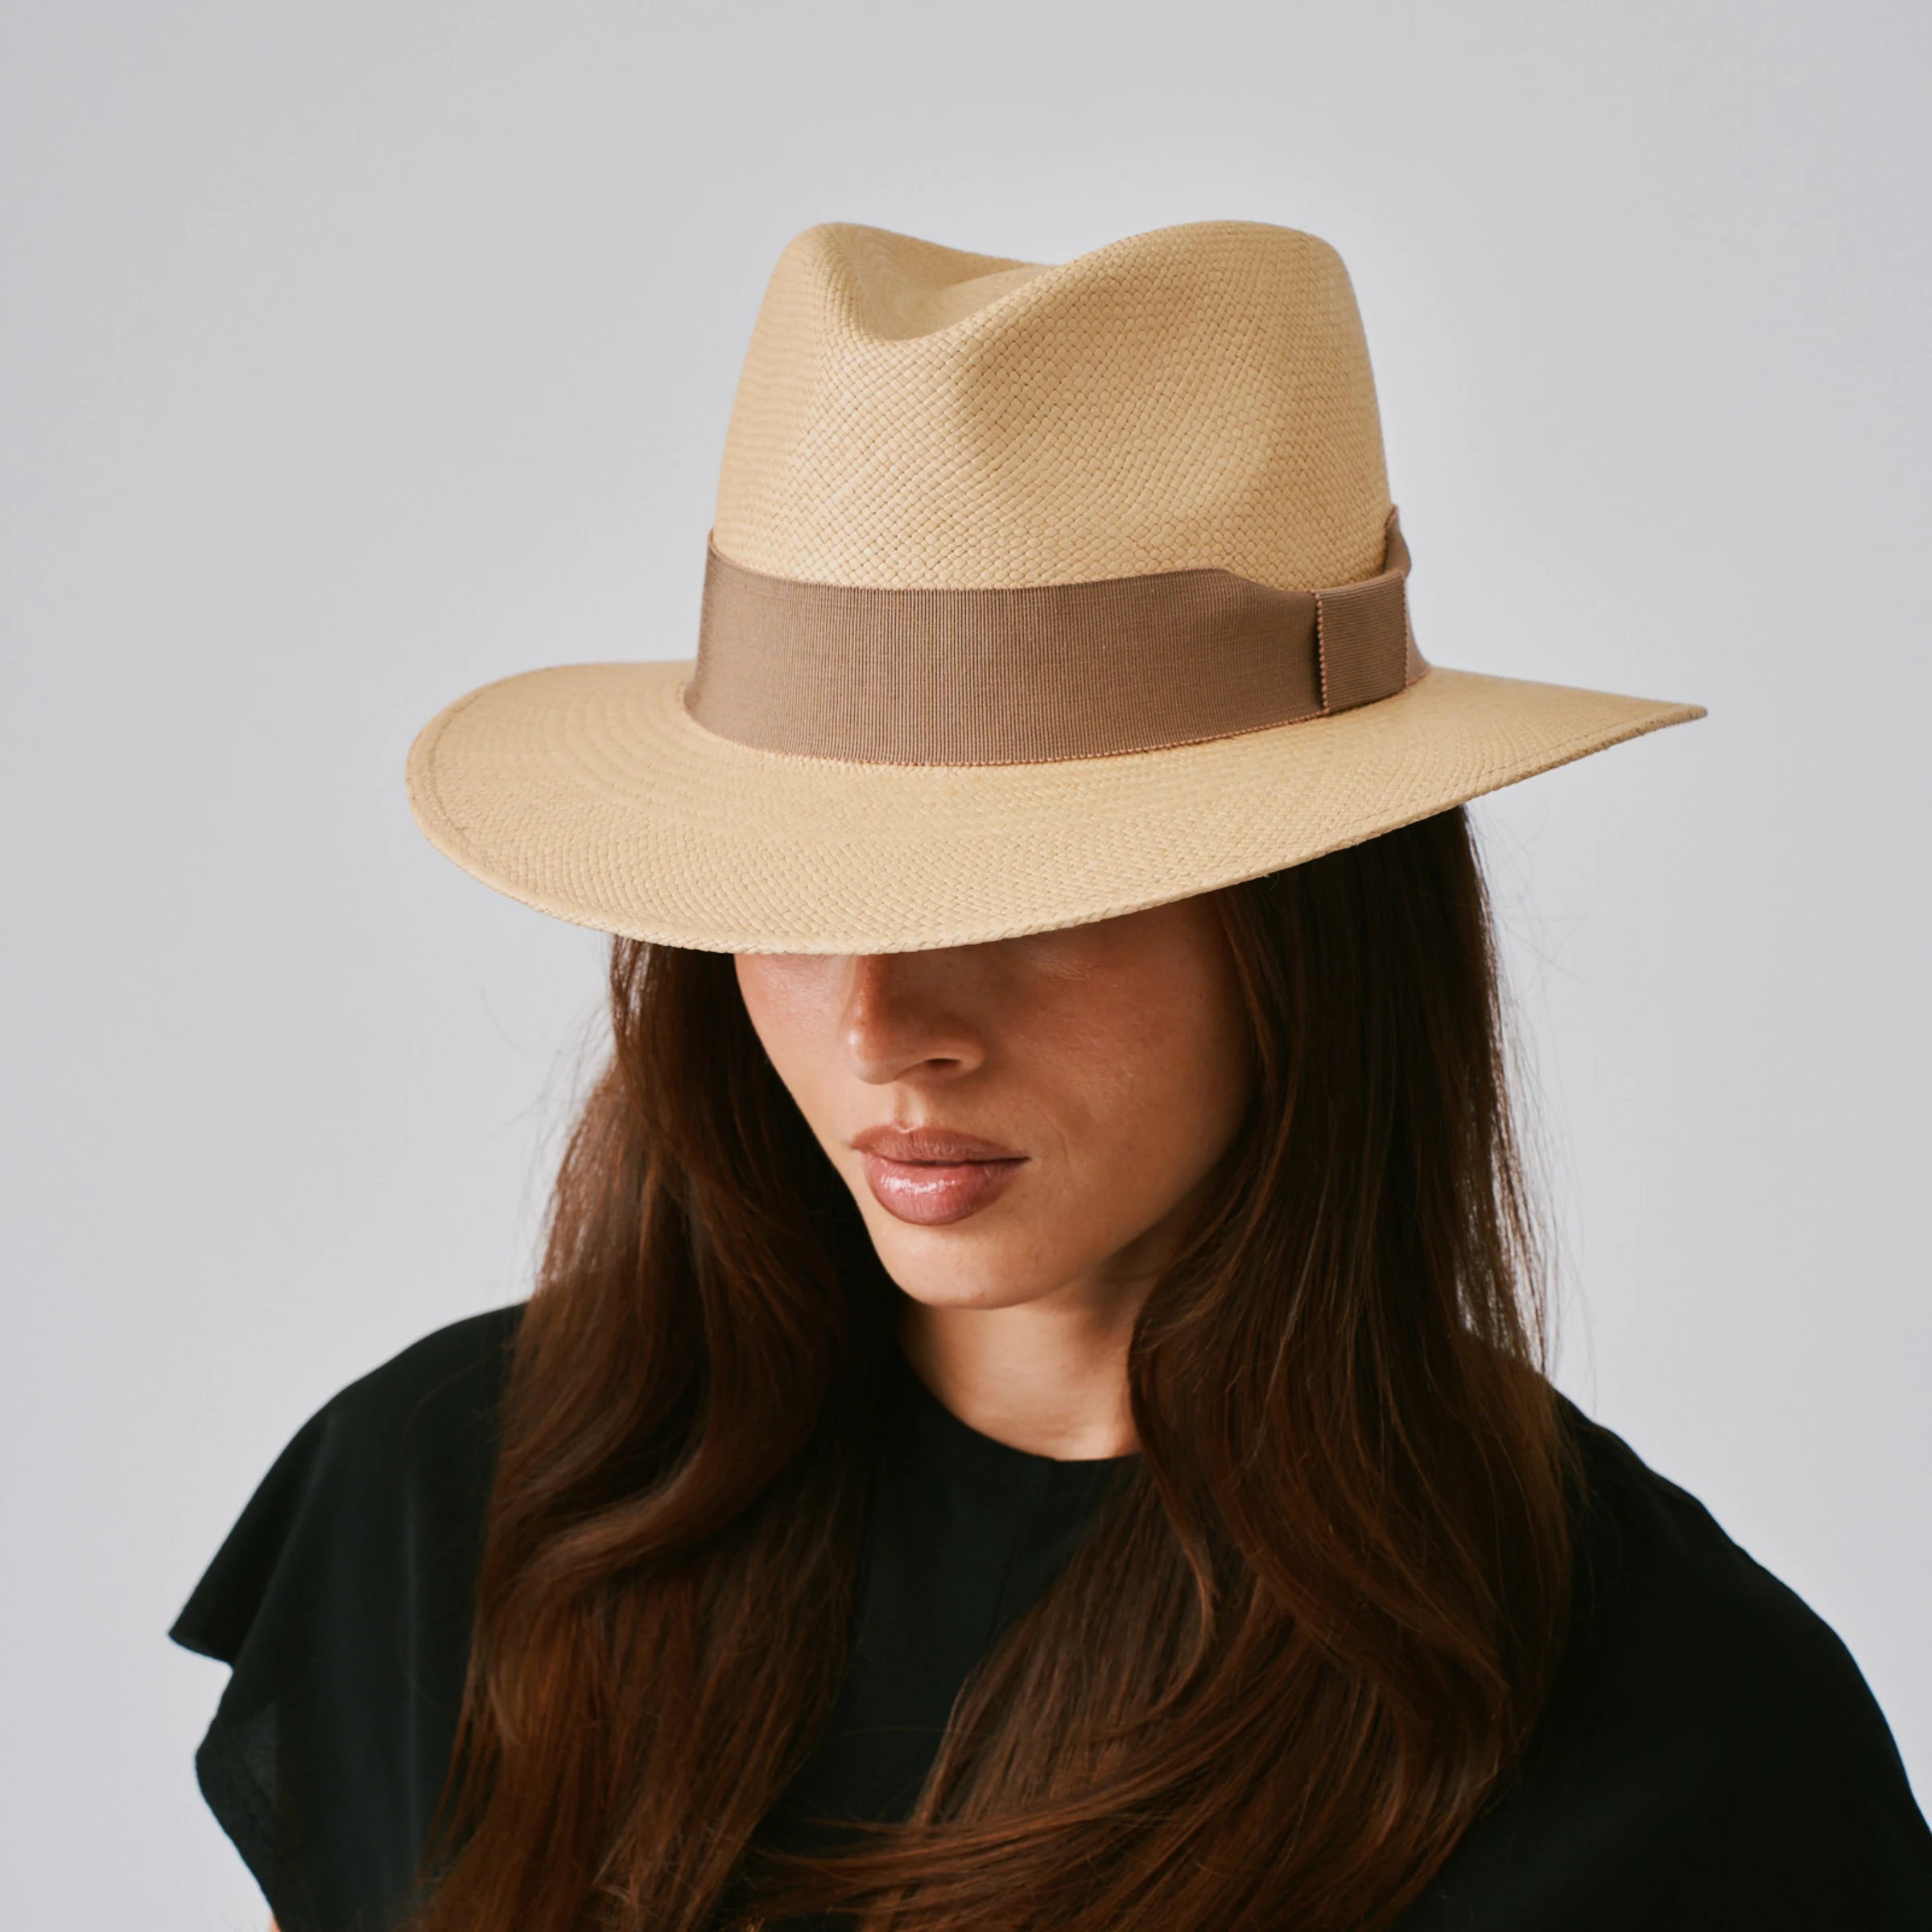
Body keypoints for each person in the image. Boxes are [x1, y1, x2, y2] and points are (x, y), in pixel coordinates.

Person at [172, 219, 1932, 1932]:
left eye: (1023, 900)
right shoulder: (459, 1507)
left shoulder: (1676, 1746)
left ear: (1308, 927)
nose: (882, 1030)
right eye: (792, 900)